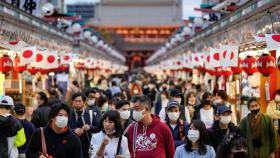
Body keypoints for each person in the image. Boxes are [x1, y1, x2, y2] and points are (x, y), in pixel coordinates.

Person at [68, 92, 101, 158]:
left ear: (84, 102)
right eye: (75, 101)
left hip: (87, 146)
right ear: (72, 102)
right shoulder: (68, 114)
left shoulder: (90, 113)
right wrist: (73, 130)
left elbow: (98, 128)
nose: (77, 103)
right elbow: (63, 128)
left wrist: (90, 127)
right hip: (71, 146)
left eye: (80, 101)